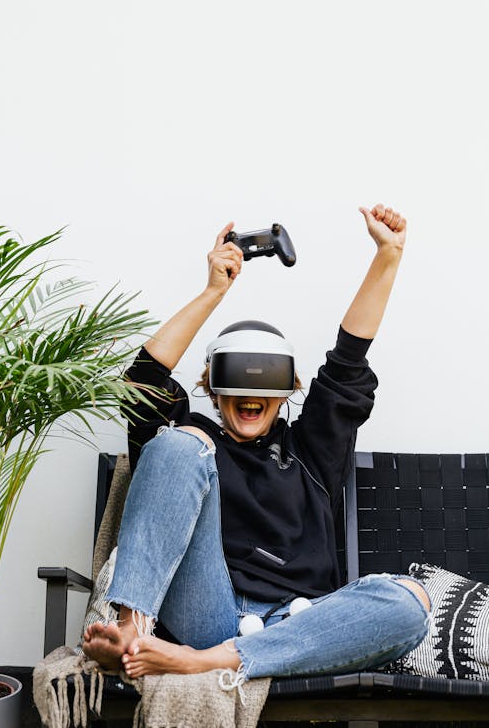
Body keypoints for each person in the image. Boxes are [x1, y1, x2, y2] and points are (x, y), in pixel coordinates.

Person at [83, 204, 430, 683]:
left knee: (410, 600)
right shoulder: (196, 445)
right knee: (178, 442)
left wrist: (388, 255)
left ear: (289, 390)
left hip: (301, 623)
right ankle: (134, 629)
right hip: (209, 613)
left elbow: (349, 360)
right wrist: (213, 291)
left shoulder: (311, 450)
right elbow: (143, 383)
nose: (251, 394)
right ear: (212, 385)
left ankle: (208, 663)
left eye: (267, 380)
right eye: (237, 379)